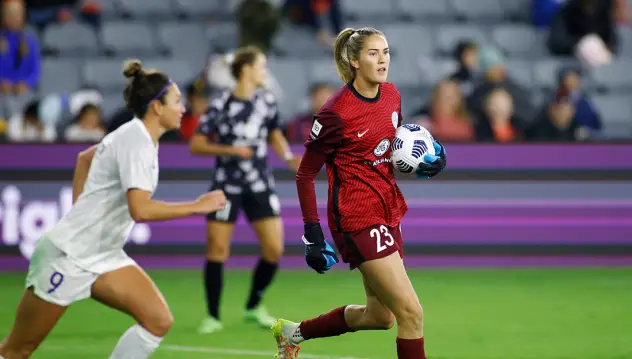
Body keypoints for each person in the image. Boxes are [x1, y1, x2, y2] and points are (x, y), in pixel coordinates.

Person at [0, 59, 227, 359]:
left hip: (102, 255)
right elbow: (141, 211)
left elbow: (84, 158)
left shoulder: (137, 135)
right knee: (18, 349)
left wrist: (80, 214)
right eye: (176, 102)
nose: (183, 108)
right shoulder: (137, 143)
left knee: (157, 320)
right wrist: (197, 206)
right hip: (68, 258)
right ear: (157, 107)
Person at [271, 27, 446, 359]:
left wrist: (423, 161)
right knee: (412, 315)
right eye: (372, 54)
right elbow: (306, 172)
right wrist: (311, 232)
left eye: (386, 52)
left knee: (382, 317)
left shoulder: (392, 94)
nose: (382, 60)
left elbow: (390, 151)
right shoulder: (335, 113)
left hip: (387, 209)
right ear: (353, 61)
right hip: (356, 217)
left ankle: (292, 334)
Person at [189, 45, 301, 334]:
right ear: (247, 69)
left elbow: (274, 133)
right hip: (226, 186)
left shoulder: (266, 101)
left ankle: (254, 306)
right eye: (262, 65)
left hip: (259, 183)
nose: (265, 71)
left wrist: (288, 157)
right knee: (217, 249)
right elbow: (197, 143)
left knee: (274, 248)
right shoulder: (221, 103)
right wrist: (230, 150)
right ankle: (213, 316)